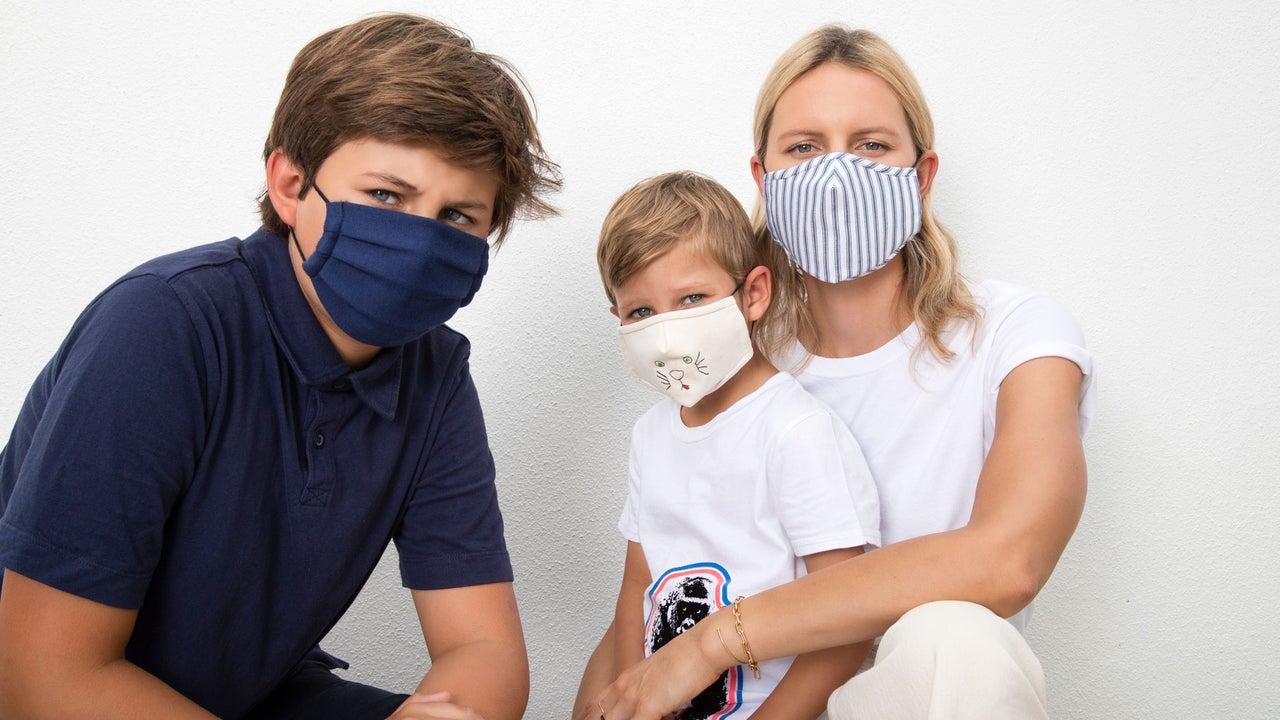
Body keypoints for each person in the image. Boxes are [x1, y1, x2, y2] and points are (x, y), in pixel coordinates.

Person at [0, 13, 559, 720]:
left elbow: (483, 650)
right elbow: (44, 683)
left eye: (457, 218)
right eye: (386, 196)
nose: (418, 240)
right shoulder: (161, 324)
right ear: (291, 183)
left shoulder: (436, 374)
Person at [580, 25, 1094, 720]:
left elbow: (1010, 561)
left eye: (872, 144)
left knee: (956, 637)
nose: (836, 173)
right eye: (804, 147)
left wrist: (711, 646)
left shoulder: (1016, 333)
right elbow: (650, 593)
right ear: (763, 177)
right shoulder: (727, 374)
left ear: (922, 176)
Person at [574, 171, 880, 720]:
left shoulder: (794, 430)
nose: (668, 332)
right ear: (618, 318)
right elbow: (638, 584)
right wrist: (630, 696)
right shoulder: (651, 435)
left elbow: (848, 619)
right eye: (642, 312)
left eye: (692, 298)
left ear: (753, 294)